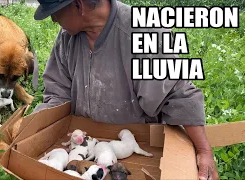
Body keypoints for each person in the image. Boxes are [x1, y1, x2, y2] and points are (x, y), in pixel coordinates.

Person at [32, 0, 219, 179]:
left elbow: (177, 95)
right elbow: (57, 96)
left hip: (135, 150)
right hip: (83, 145)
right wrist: (30, 129)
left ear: (78, 5)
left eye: (55, 13)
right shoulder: (66, 39)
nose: (54, 19)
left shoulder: (144, 33)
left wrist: (204, 151)